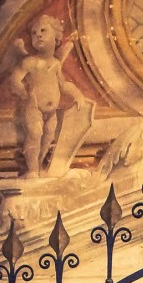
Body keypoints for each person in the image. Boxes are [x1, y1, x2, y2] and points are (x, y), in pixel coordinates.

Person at [10, 13, 85, 177]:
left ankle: (40, 163)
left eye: (43, 31)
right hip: (34, 107)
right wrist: (23, 92)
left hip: (52, 112)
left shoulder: (56, 64)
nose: (38, 35)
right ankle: (32, 170)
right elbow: (15, 79)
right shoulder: (30, 62)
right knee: (35, 133)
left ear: (56, 37)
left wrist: (77, 94)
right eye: (34, 34)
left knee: (48, 137)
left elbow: (63, 84)